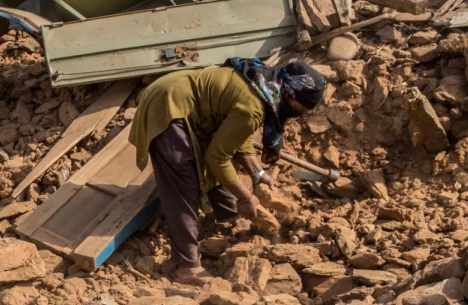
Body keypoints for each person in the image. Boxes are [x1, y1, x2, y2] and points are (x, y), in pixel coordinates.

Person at [131, 57, 327, 284]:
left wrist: (257, 172)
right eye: (297, 109)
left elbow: (235, 134)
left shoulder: (263, 84)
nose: (295, 115)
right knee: (184, 186)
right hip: (168, 104)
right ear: (290, 93)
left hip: (182, 100)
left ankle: (228, 218)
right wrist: (245, 196)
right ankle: (188, 268)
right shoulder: (253, 106)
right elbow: (218, 157)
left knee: (209, 171)